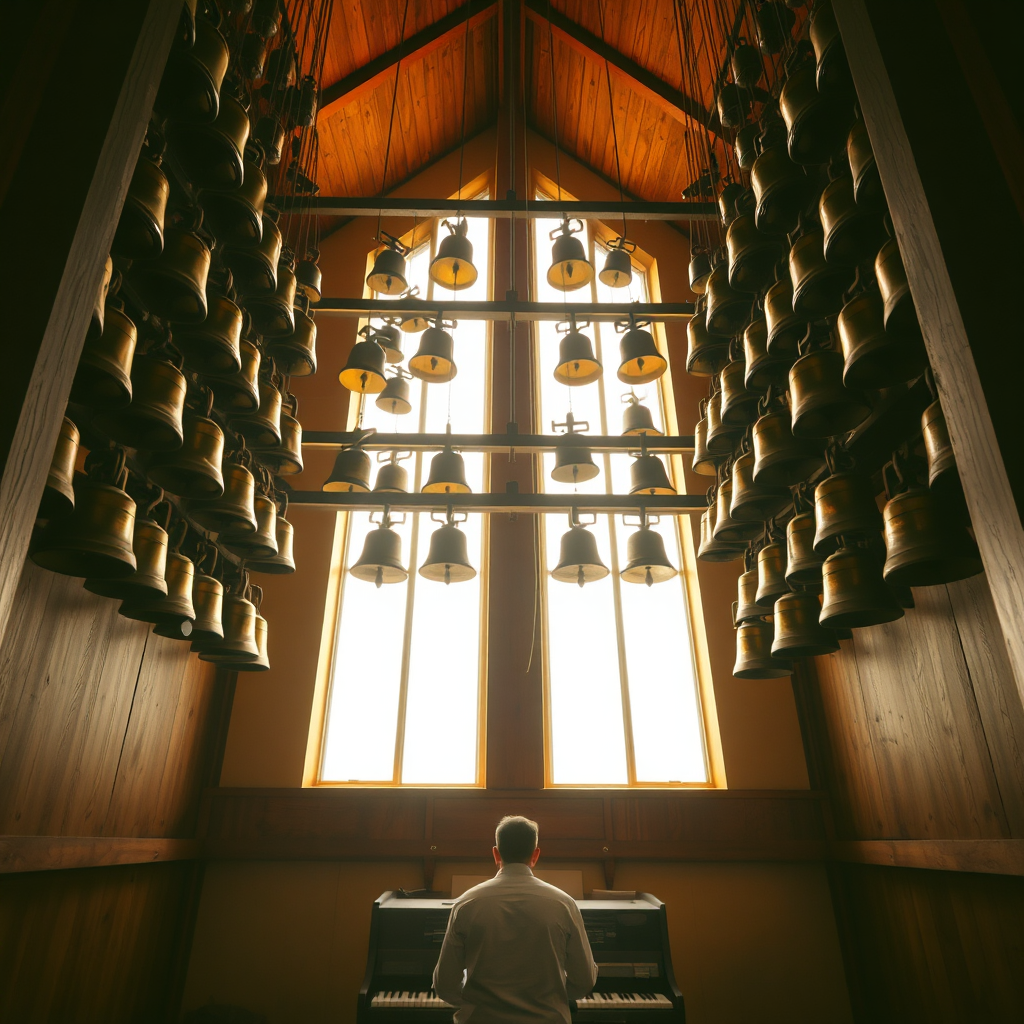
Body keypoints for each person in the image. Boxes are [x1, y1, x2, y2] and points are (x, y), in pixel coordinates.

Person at [433, 815, 598, 1024]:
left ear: (496, 853)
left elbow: (445, 985)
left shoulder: (466, 903)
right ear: (535, 854)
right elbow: (584, 982)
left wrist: (476, 1002)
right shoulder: (563, 904)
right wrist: (551, 998)